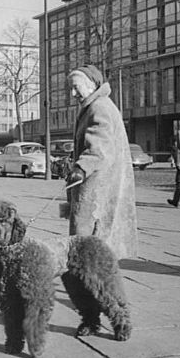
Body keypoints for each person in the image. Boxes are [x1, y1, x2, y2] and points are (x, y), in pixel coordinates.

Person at [66, 66, 138, 259]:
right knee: (96, 240)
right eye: (71, 89)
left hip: (97, 187)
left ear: (91, 85)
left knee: (88, 238)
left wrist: (81, 167)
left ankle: (88, 281)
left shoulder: (99, 107)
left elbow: (99, 145)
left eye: (76, 87)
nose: (73, 93)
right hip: (99, 182)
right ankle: (92, 279)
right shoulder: (96, 105)